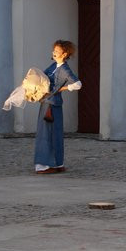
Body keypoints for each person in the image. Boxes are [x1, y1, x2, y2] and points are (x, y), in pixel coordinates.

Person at [34, 40, 82, 174]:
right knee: (49, 133)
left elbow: (78, 84)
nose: (54, 53)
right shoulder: (54, 65)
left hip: (52, 105)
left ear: (64, 53)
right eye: (53, 50)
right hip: (47, 102)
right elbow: (43, 76)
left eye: (56, 51)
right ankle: (52, 163)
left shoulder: (65, 69)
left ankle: (49, 164)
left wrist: (61, 88)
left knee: (49, 133)